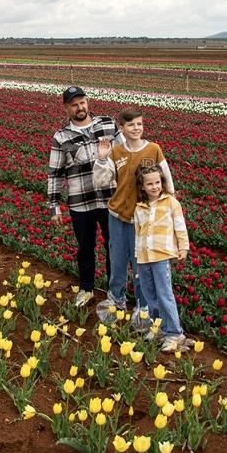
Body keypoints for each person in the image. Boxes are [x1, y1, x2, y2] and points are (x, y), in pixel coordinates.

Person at [91, 108, 176, 326]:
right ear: (122, 128)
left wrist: (167, 208)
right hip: (118, 215)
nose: (136, 128)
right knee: (118, 260)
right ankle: (117, 299)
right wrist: (101, 158)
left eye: (139, 124)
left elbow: (166, 181)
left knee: (141, 265)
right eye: (130, 125)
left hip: (144, 219)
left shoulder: (153, 149)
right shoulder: (116, 152)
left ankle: (143, 306)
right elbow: (101, 181)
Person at [47, 86, 117, 307]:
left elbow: (125, 156)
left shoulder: (108, 124)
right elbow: (55, 172)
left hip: (110, 199)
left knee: (113, 246)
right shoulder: (61, 137)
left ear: (88, 102)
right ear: (67, 108)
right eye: (74, 104)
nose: (80, 107)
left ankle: (114, 291)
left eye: (82, 102)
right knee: (85, 248)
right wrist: (54, 205)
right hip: (81, 202)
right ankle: (86, 289)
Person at [133, 163, 190, 352]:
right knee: (150, 296)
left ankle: (174, 333)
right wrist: (136, 259)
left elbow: (180, 227)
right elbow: (137, 235)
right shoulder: (139, 207)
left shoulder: (171, 203)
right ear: (142, 186)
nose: (154, 187)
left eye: (157, 182)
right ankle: (158, 328)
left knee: (165, 295)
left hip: (161, 256)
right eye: (149, 184)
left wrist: (184, 248)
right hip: (144, 257)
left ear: (162, 182)